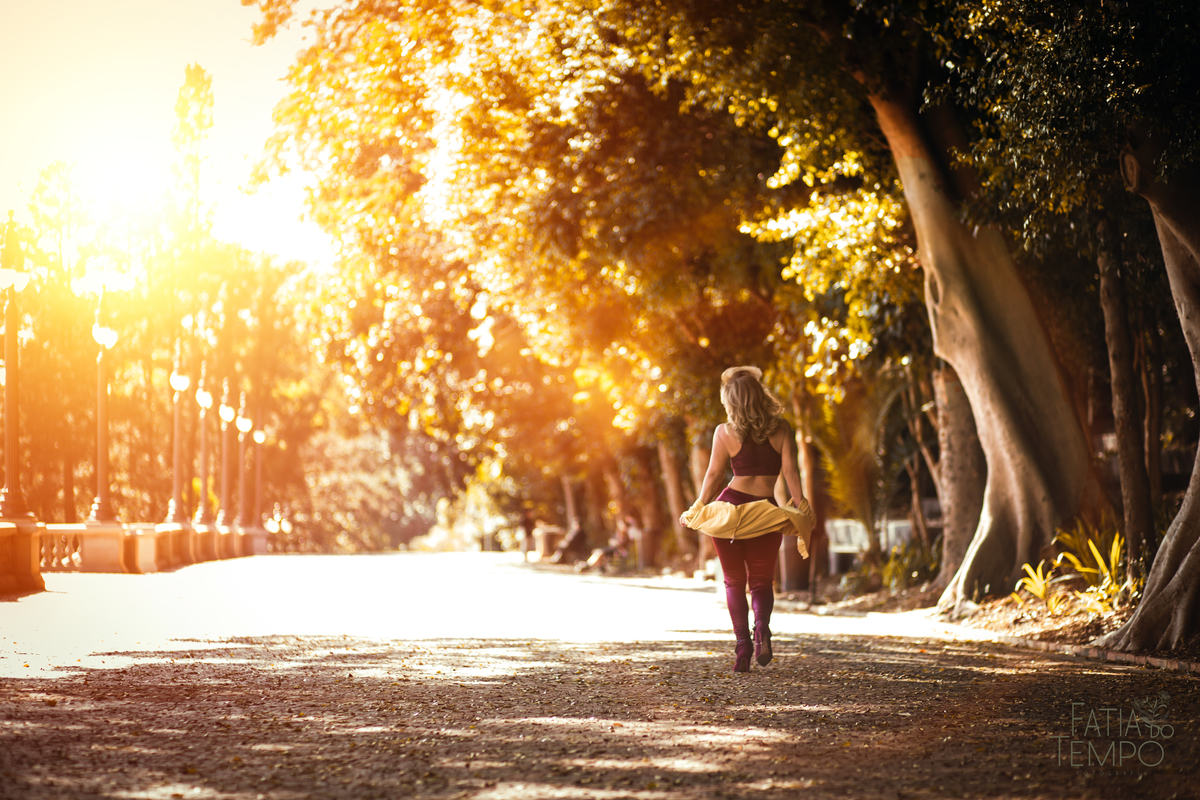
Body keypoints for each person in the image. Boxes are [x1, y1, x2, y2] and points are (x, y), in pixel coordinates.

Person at [680, 366, 814, 673]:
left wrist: (698, 506)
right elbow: (791, 472)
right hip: (765, 512)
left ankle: (742, 644)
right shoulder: (781, 429)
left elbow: (714, 475)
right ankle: (761, 630)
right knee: (761, 581)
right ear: (759, 395)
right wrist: (802, 506)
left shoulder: (724, 432)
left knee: (733, 582)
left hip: (729, 512)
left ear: (731, 401)